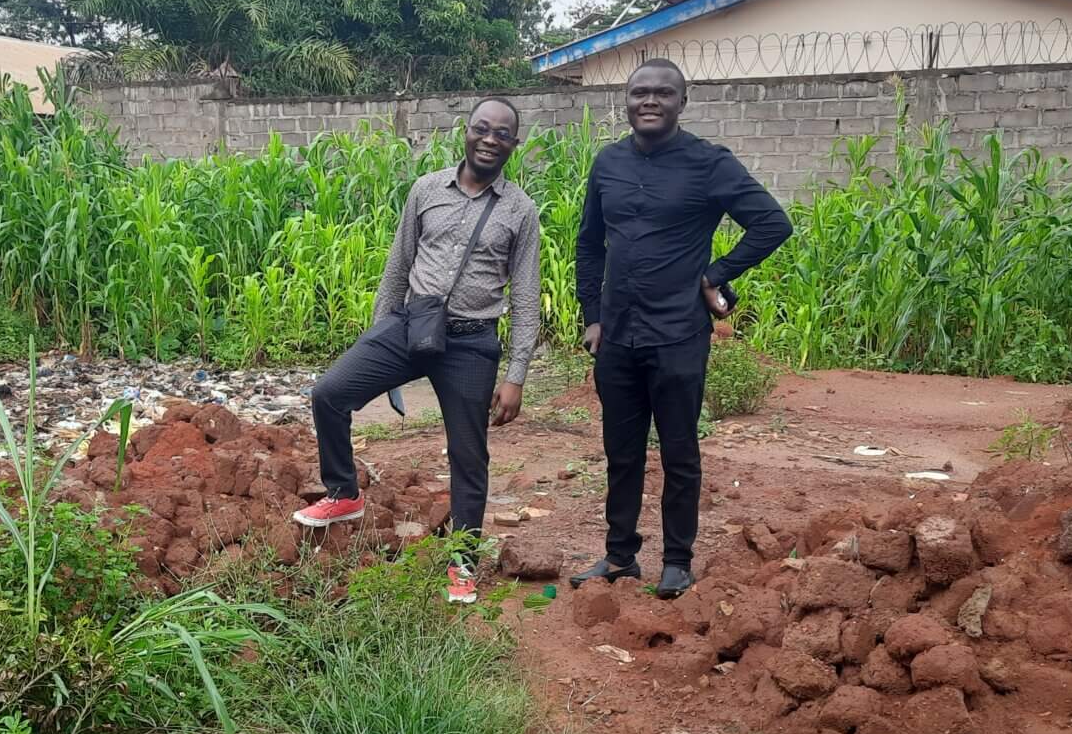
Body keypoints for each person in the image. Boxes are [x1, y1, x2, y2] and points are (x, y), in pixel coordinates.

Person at [295, 97, 541, 604]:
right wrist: (378, 338)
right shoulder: (426, 189)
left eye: (503, 133)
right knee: (330, 392)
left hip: (472, 343)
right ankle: (344, 494)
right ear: (466, 133)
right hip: (411, 325)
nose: (490, 138)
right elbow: (398, 265)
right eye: (482, 128)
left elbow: (527, 295)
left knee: (469, 456)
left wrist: (516, 374)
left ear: (513, 144)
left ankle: (462, 563)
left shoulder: (519, 209)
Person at [570, 58, 792, 599]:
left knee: (678, 450)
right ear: (625, 101)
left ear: (682, 102)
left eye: (662, 93)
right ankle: (620, 556)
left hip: (677, 333)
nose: (650, 101)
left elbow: (771, 223)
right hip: (617, 336)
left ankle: (677, 560)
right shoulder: (609, 163)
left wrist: (715, 275)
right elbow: (588, 244)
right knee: (621, 451)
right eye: (639, 92)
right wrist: (592, 318)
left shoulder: (708, 164)